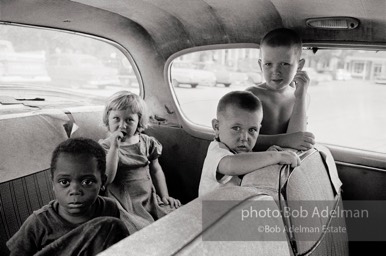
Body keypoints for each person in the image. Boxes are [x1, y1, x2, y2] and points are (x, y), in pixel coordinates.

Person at [7, 137, 130, 256]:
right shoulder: (38, 223)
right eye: (64, 182)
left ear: (102, 182)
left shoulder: (109, 208)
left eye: (87, 182)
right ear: (53, 183)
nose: (75, 191)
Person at [99, 90, 181, 223]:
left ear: (139, 122)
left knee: (177, 218)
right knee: (137, 227)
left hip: (149, 199)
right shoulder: (105, 147)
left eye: (129, 120)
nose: (122, 125)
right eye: (116, 118)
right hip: (123, 203)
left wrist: (164, 196)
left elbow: (156, 170)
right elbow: (107, 178)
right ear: (108, 119)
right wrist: (115, 147)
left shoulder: (147, 142)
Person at [198, 91, 301, 196]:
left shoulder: (242, 151)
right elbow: (231, 165)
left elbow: (249, 162)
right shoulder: (216, 152)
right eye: (236, 128)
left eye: (252, 130)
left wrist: (267, 157)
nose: (245, 138)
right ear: (217, 127)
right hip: (211, 210)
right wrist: (275, 156)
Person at [246, 28, 315, 151]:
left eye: (285, 64)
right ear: (260, 65)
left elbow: (297, 142)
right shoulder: (251, 95)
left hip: (283, 166)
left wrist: (300, 97)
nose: (276, 71)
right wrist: (283, 140)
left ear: (299, 66)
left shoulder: (302, 97)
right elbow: (241, 140)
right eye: (268, 64)